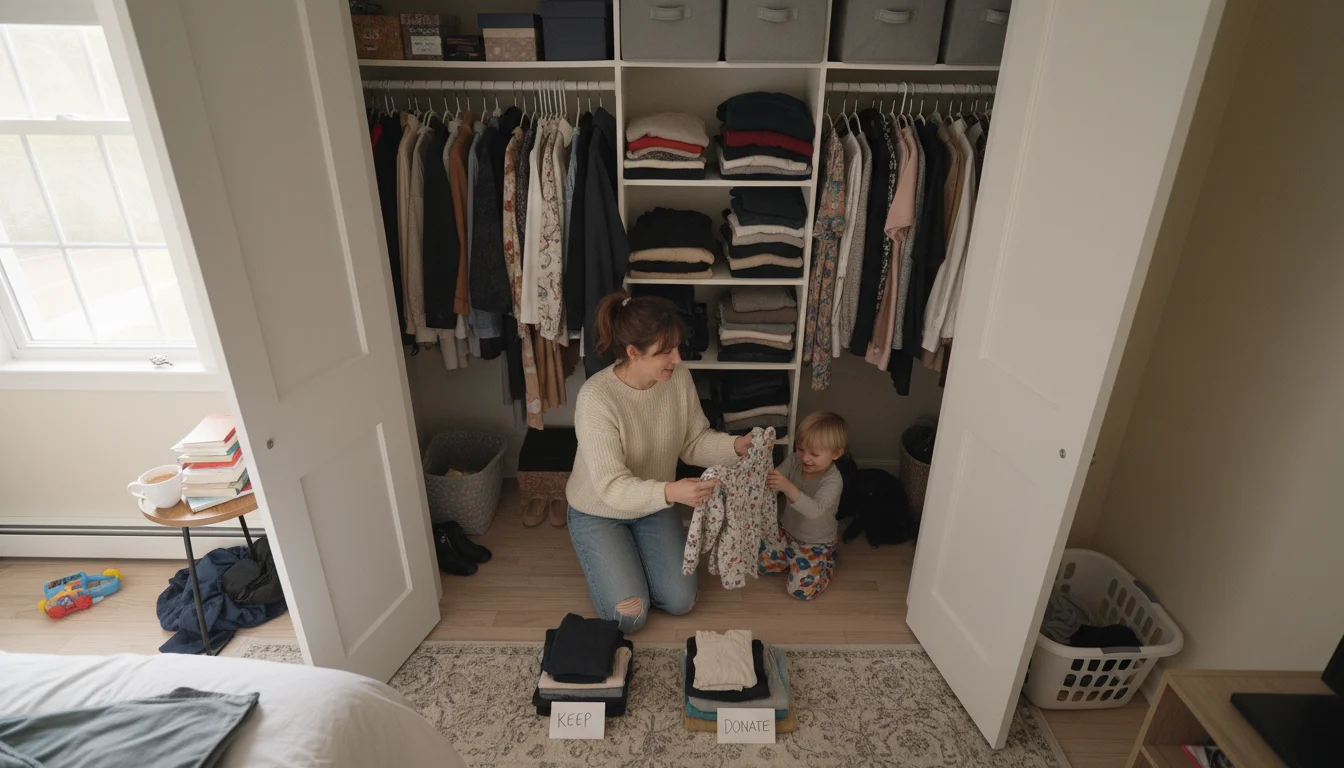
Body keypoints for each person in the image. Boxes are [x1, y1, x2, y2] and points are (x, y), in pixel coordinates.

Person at [566, 290, 752, 632]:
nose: (677, 359)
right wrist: (671, 493)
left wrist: (738, 446)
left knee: (682, 601)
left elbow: (693, 442)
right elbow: (611, 486)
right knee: (630, 618)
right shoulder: (596, 398)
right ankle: (619, 556)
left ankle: (634, 558)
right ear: (633, 352)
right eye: (665, 352)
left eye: (677, 347)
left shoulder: (676, 378)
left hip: (654, 505)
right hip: (599, 511)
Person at [759, 411, 848, 600]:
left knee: (800, 591)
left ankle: (825, 562)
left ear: (836, 454)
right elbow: (775, 479)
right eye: (801, 449)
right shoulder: (795, 461)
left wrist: (787, 487)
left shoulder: (833, 481)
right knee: (760, 564)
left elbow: (814, 510)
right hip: (787, 532)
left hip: (815, 541)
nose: (805, 458)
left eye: (814, 454)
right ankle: (792, 559)